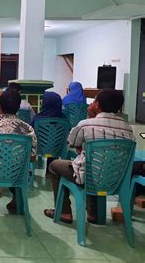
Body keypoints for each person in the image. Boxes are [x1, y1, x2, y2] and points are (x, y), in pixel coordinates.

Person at [43, 89, 134, 224]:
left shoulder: (86, 124)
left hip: (90, 176)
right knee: (95, 163)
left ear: (97, 105)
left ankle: (64, 211)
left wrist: (90, 118)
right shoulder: (127, 128)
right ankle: (93, 213)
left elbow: (72, 142)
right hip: (116, 179)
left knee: (55, 165)